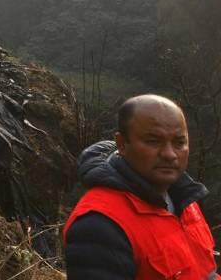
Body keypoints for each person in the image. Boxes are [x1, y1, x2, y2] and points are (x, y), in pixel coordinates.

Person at [64, 95, 218, 280]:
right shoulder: (98, 226)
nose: (169, 154)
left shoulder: (185, 200)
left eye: (179, 143)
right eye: (153, 141)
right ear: (121, 144)